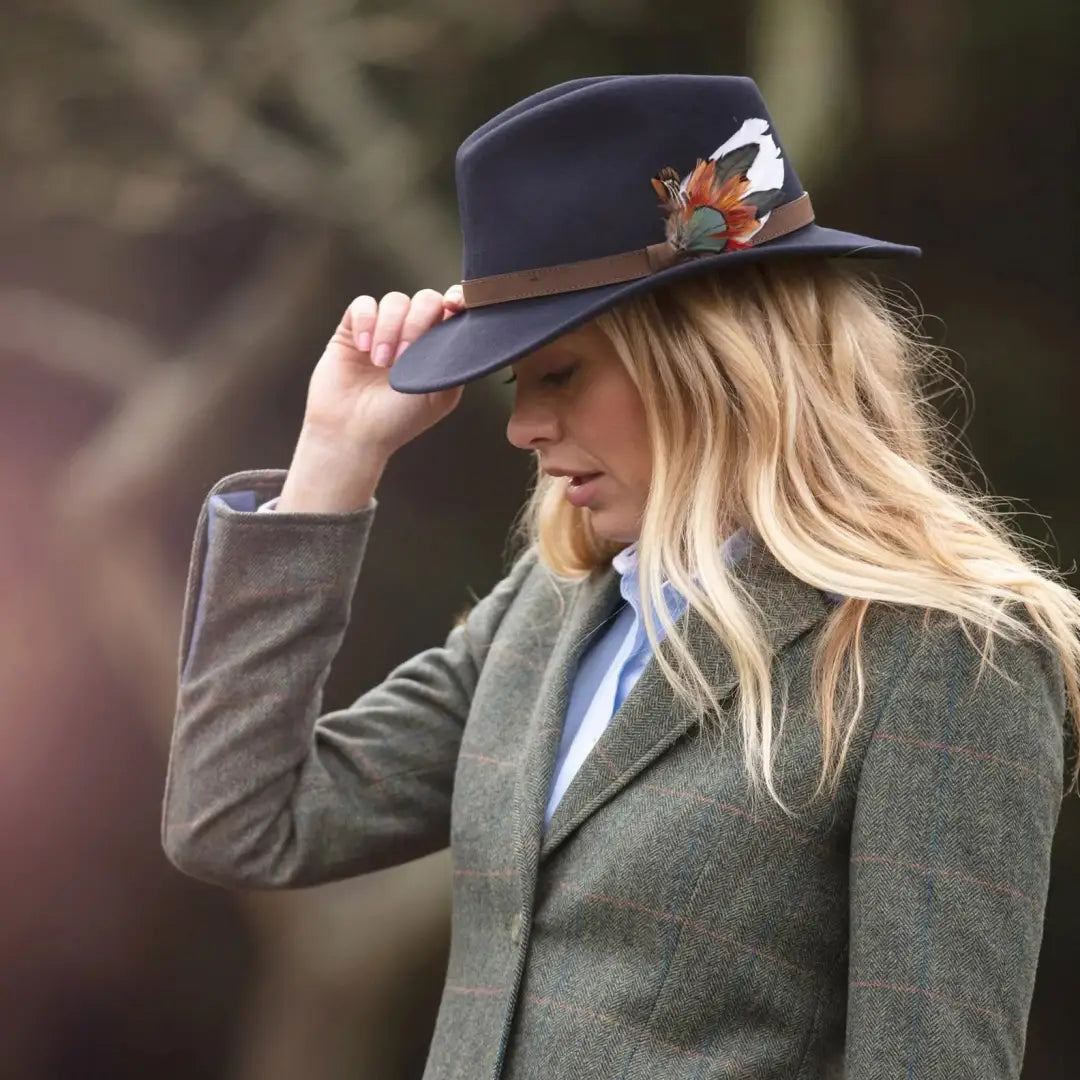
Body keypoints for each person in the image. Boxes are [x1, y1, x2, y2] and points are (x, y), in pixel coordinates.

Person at [162, 75, 1080, 1079]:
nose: (520, 427)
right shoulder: (546, 615)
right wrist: (334, 457)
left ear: (716, 362)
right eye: (519, 381)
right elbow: (239, 824)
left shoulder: (944, 657)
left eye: (560, 373)